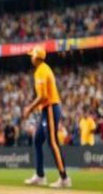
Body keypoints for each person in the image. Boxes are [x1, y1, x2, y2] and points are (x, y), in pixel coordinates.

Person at [22, 47, 71, 189]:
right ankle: (40, 175)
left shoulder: (41, 71)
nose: (30, 57)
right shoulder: (43, 69)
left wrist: (29, 108)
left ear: (36, 58)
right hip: (47, 109)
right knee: (37, 140)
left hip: (50, 107)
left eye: (32, 55)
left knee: (52, 142)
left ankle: (64, 178)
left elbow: (43, 96)